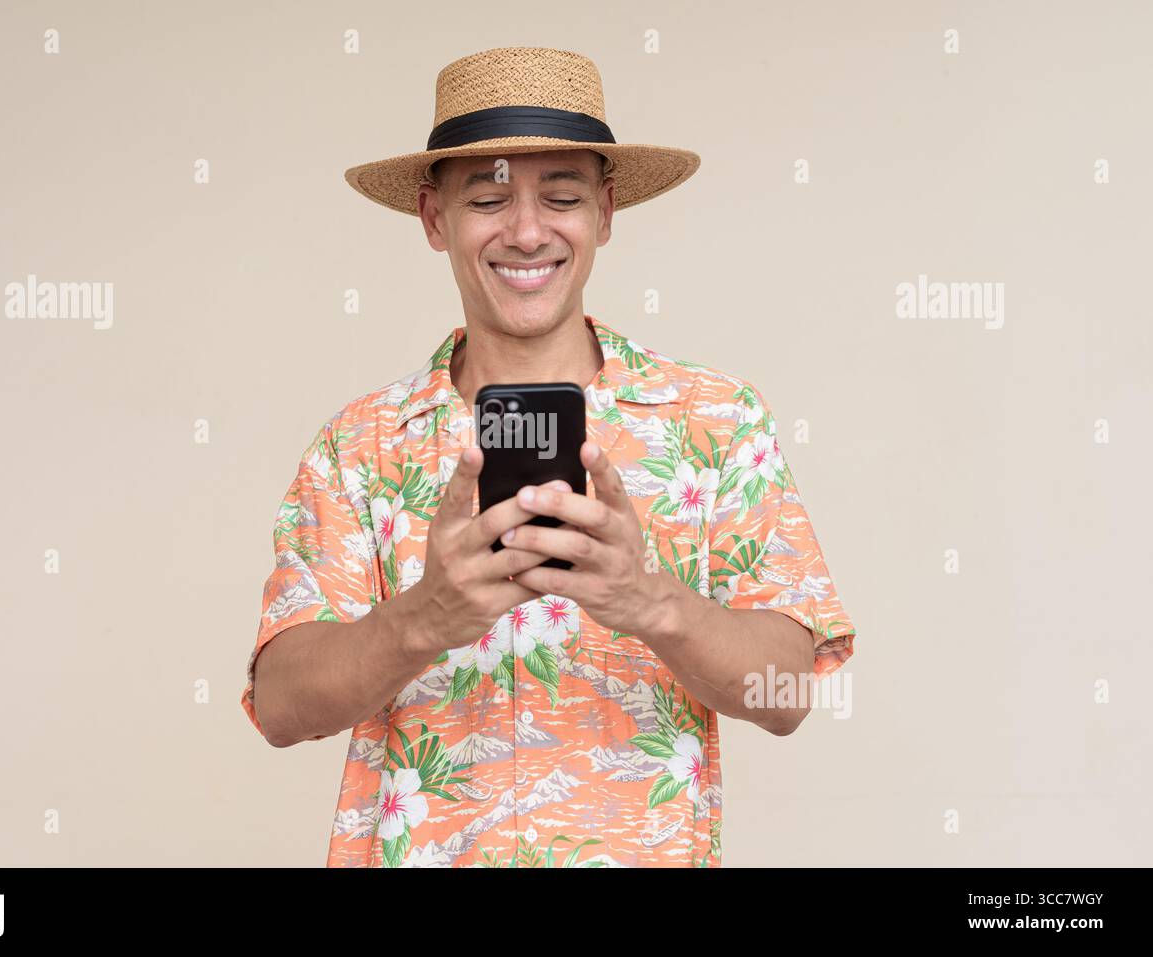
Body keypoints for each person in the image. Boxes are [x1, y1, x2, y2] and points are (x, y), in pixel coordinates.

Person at [241, 47, 856, 868]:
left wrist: (649, 600)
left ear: (605, 212)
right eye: (488, 198)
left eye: (561, 196)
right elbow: (280, 707)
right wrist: (425, 616)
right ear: (434, 219)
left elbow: (790, 692)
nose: (527, 230)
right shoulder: (358, 447)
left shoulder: (718, 422)